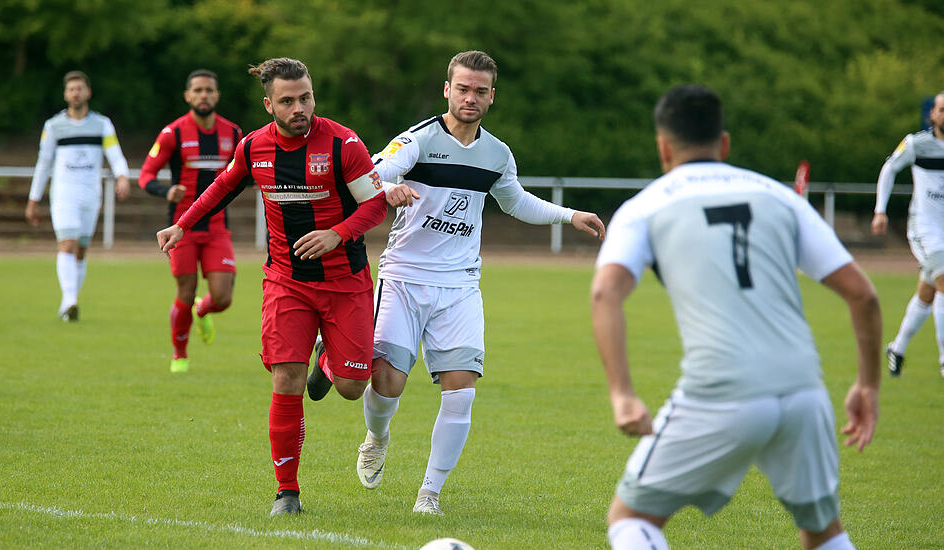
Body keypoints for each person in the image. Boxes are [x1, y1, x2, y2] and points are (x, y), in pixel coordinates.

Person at [591, 84, 881, 550]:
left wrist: (623, 394)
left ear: (663, 147)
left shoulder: (645, 206)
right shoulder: (780, 196)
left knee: (631, 518)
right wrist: (867, 385)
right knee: (823, 532)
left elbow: (606, 292)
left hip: (720, 391)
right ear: (724, 144)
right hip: (804, 390)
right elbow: (864, 296)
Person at [348, 50, 607, 515]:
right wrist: (387, 189)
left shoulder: (497, 154)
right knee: (387, 382)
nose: (471, 98)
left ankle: (429, 495)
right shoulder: (417, 141)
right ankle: (377, 436)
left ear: (492, 97)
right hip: (404, 278)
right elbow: (368, 172)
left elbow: (516, 202)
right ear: (447, 90)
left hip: (460, 285)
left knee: (461, 387)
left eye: (480, 91)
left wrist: (570, 215)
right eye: (462, 89)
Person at [156, 58, 387, 516]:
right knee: (286, 380)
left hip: (346, 282)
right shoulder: (253, 148)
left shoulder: (344, 143)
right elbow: (221, 188)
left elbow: (376, 205)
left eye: (305, 97)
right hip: (287, 281)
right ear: (269, 105)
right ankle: (287, 491)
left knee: (352, 386)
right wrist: (182, 225)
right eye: (287, 101)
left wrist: (336, 233)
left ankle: (328, 356)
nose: (299, 107)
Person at [138, 69, 244, 373]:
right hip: (180, 229)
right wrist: (165, 190)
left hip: (216, 227)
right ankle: (179, 355)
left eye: (209, 90)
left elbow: (244, 172)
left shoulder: (233, 133)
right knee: (185, 290)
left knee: (223, 298)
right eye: (197, 90)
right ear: (188, 96)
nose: (203, 95)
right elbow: (145, 176)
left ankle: (204, 308)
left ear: (217, 96)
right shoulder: (173, 133)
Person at [26, 70, 131, 321]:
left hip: (90, 194)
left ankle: (69, 303)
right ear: (65, 94)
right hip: (64, 194)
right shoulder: (53, 126)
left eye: (79, 89)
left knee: (81, 250)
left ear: (88, 93)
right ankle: (70, 300)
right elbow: (44, 162)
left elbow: (114, 153)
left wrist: (123, 176)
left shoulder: (102, 124)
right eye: (71, 89)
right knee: (68, 244)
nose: (75, 93)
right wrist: (33, 199)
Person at [871, 91, 944, 378]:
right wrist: (880, 210)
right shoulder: (917, 144)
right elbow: (889, 169)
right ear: (932, 115)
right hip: (924, 229)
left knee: (927, 291)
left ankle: (897, 348)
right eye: (942, 109)